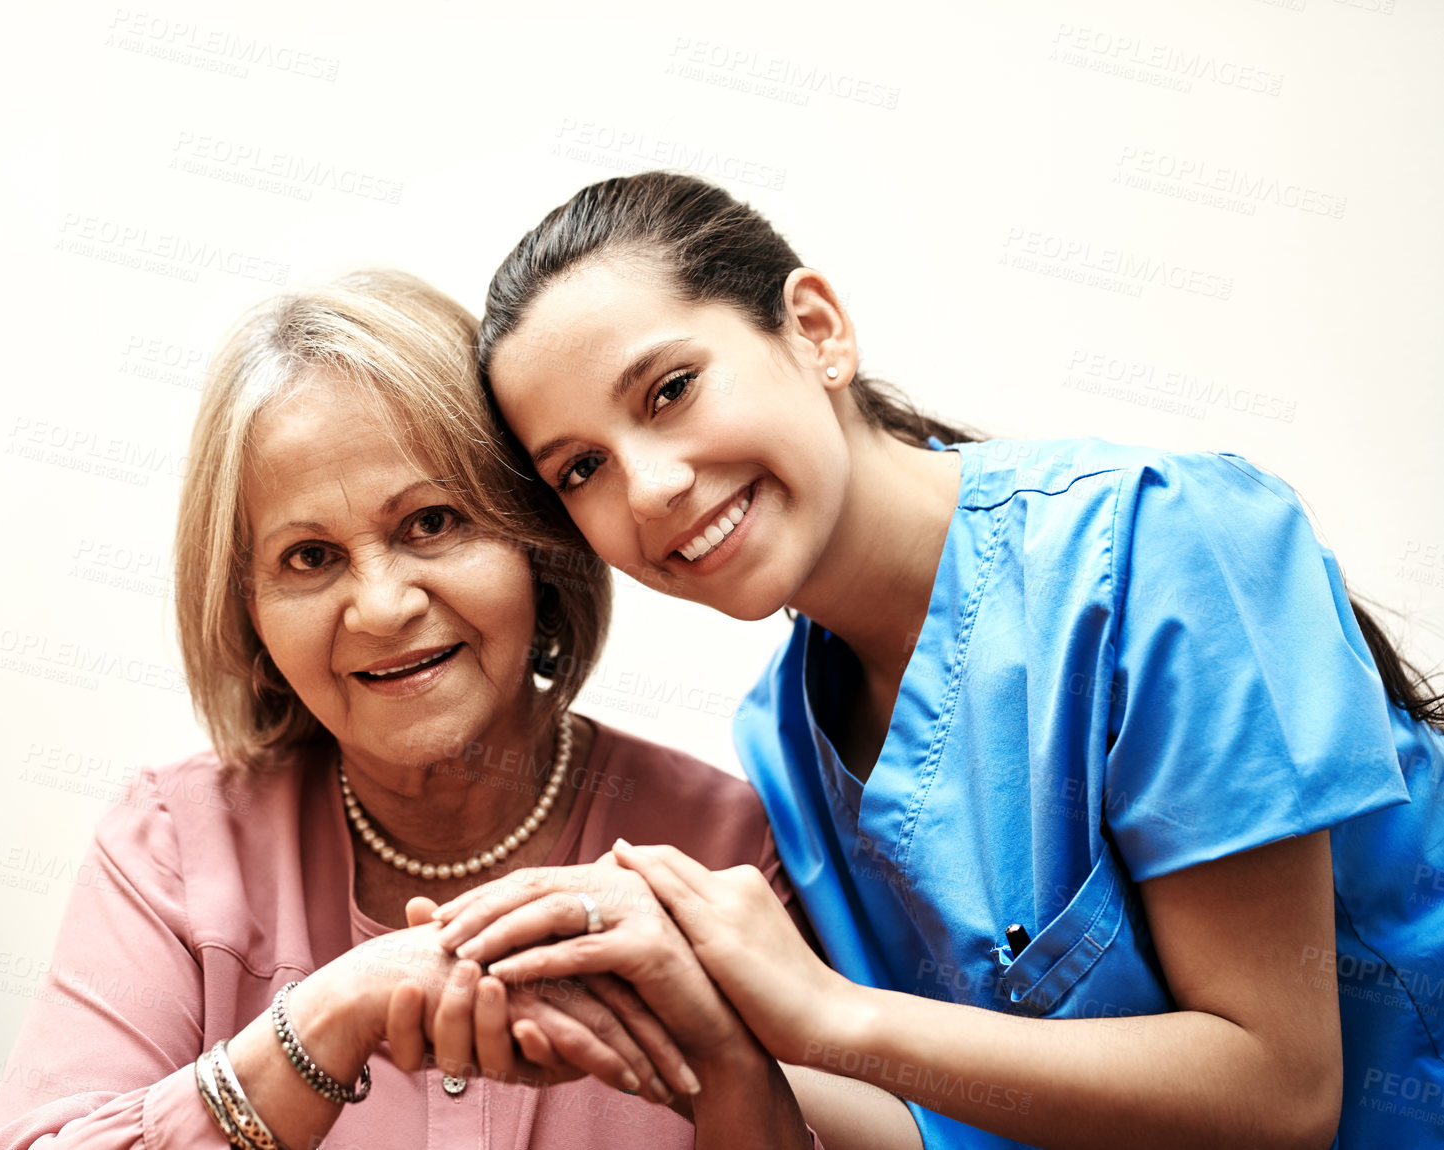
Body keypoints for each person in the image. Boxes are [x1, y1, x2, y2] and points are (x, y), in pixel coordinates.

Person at [434, 172, 1444, 1149]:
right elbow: (952, 1128)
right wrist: (688, 1024)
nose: (648, 486)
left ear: (817, 331)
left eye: (671, 389)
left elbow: (1281, 1093)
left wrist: (830, 1013)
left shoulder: (1162, 546)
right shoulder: (784, 735)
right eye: (582, 468)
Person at [0, 270, 817, 1150]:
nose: (379, 607)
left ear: (537, 543)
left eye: (432, 523)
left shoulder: (728, 855)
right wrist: (324, 1021)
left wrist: (725, 1064)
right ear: (249, 616)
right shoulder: (177, 846)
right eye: (308, 558)